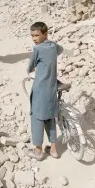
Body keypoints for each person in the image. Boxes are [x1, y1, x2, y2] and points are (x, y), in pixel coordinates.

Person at [26, 21, 63, 161]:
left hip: (40, 89)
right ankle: (53, 150)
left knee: (37, 118)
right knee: (50, 118)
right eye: (32, 36)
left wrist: (33, 69)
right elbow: (61, 49)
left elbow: (30, 67)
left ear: (45, 34)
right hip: (52, 88)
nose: (34, 38)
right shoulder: (53, 46)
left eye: (36, 35)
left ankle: (38, 151)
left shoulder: (37, 50)